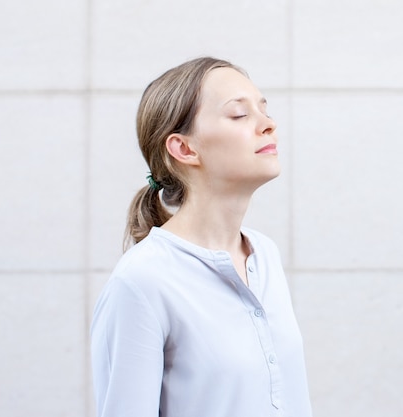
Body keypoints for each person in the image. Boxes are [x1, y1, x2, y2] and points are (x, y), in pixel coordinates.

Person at [90, 57, 313, 417]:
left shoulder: (264, 256)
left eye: (264, 110)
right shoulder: (142, 282)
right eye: (240, 115)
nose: (269, 125)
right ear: (184, 148)